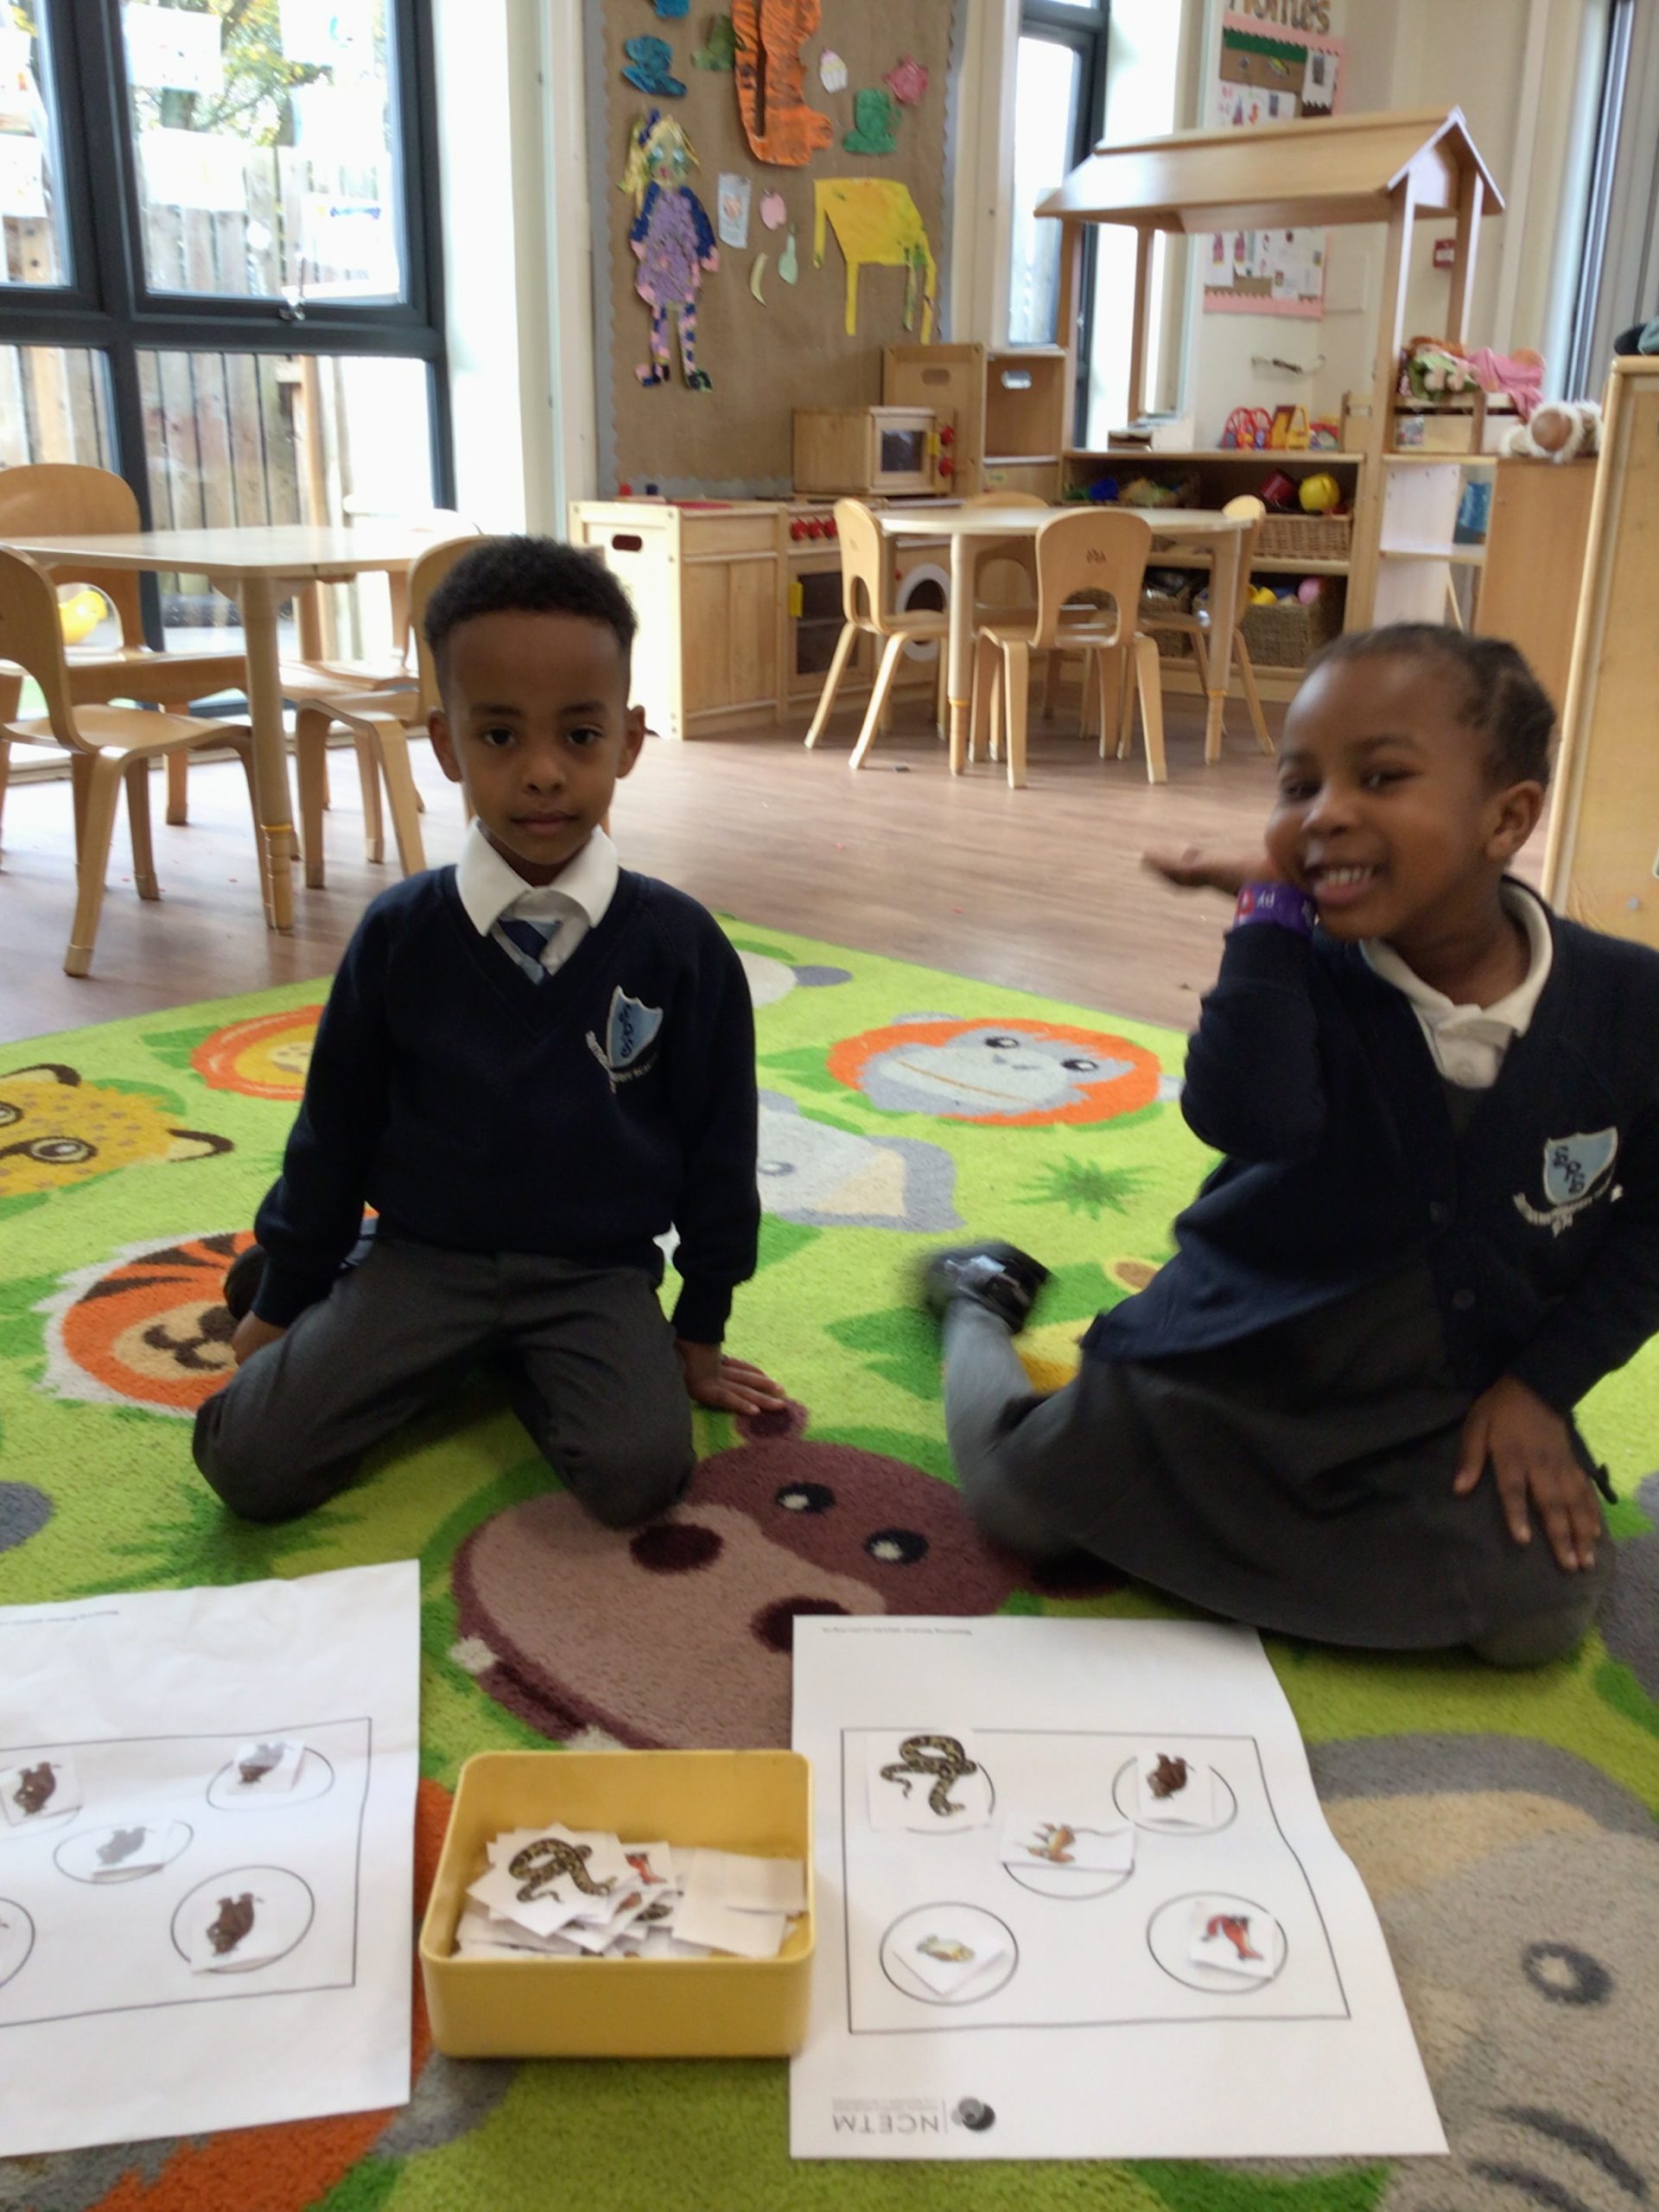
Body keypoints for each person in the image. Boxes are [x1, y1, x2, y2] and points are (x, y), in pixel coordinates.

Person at [923, 626, 1659, 1666]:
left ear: (1508, 817)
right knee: (1016, 1504)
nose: (1325, 813)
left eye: (1381, 777)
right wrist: (1267, 912)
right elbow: (1248, 1118)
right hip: (1232, 1362)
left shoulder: (1631, 1006)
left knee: (1536, 1613)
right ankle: (976, 1296)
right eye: (1298, 786)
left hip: (1436, 1396)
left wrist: (1543, 1387)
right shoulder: (1297, 966)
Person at [195, 535, 782, 1526]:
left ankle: (498, 1355)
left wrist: (701, 1323)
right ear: (445, 743)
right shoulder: (399, 935)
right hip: (426, 1258)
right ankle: (361, 1285)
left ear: (630, 741)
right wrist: (286, 1296)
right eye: (501, 736)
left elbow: (721, 1149)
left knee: (639, 1477)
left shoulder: (682, 945)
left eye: (580, 735)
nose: (543, 773)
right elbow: (333, 1132)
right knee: (247, 1463)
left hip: (594, 1272)